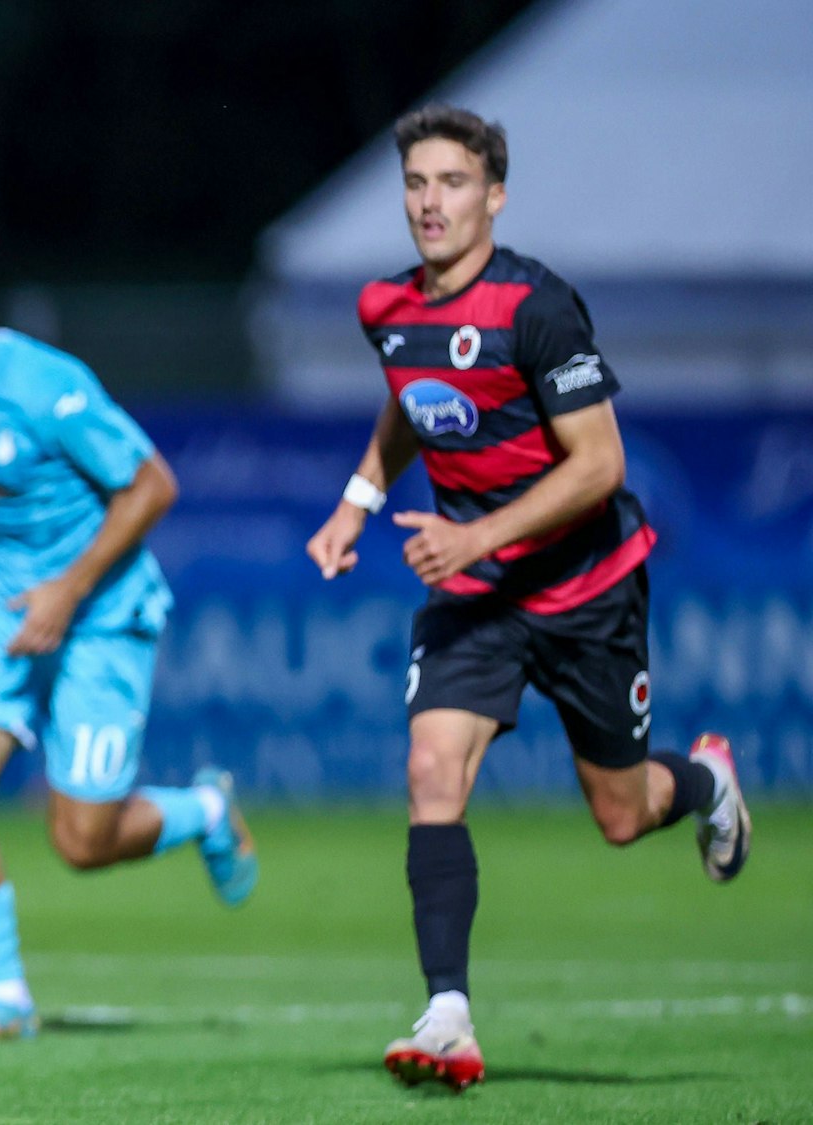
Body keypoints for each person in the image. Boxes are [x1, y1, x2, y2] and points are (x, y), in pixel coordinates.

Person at [304, 104, 753, 1092]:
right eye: (415, 184)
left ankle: (706, 781)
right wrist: (356, 500)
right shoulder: (386, 308)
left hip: (584, 589)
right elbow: (408, 399)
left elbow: (597, 464)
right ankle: (445, 1011)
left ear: (493, 196)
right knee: (430, 768)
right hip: (474, 596)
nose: (429, 203)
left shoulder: (535, 307)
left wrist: (474, 533)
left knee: (622, 814)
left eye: (451, 183)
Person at [0, 221, 257, 1045]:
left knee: (83, 839)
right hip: (1, 601)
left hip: (103, 610)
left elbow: (153, 485)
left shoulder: (46, 385)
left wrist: (68, 590)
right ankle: (4, 995)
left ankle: (207, 810)